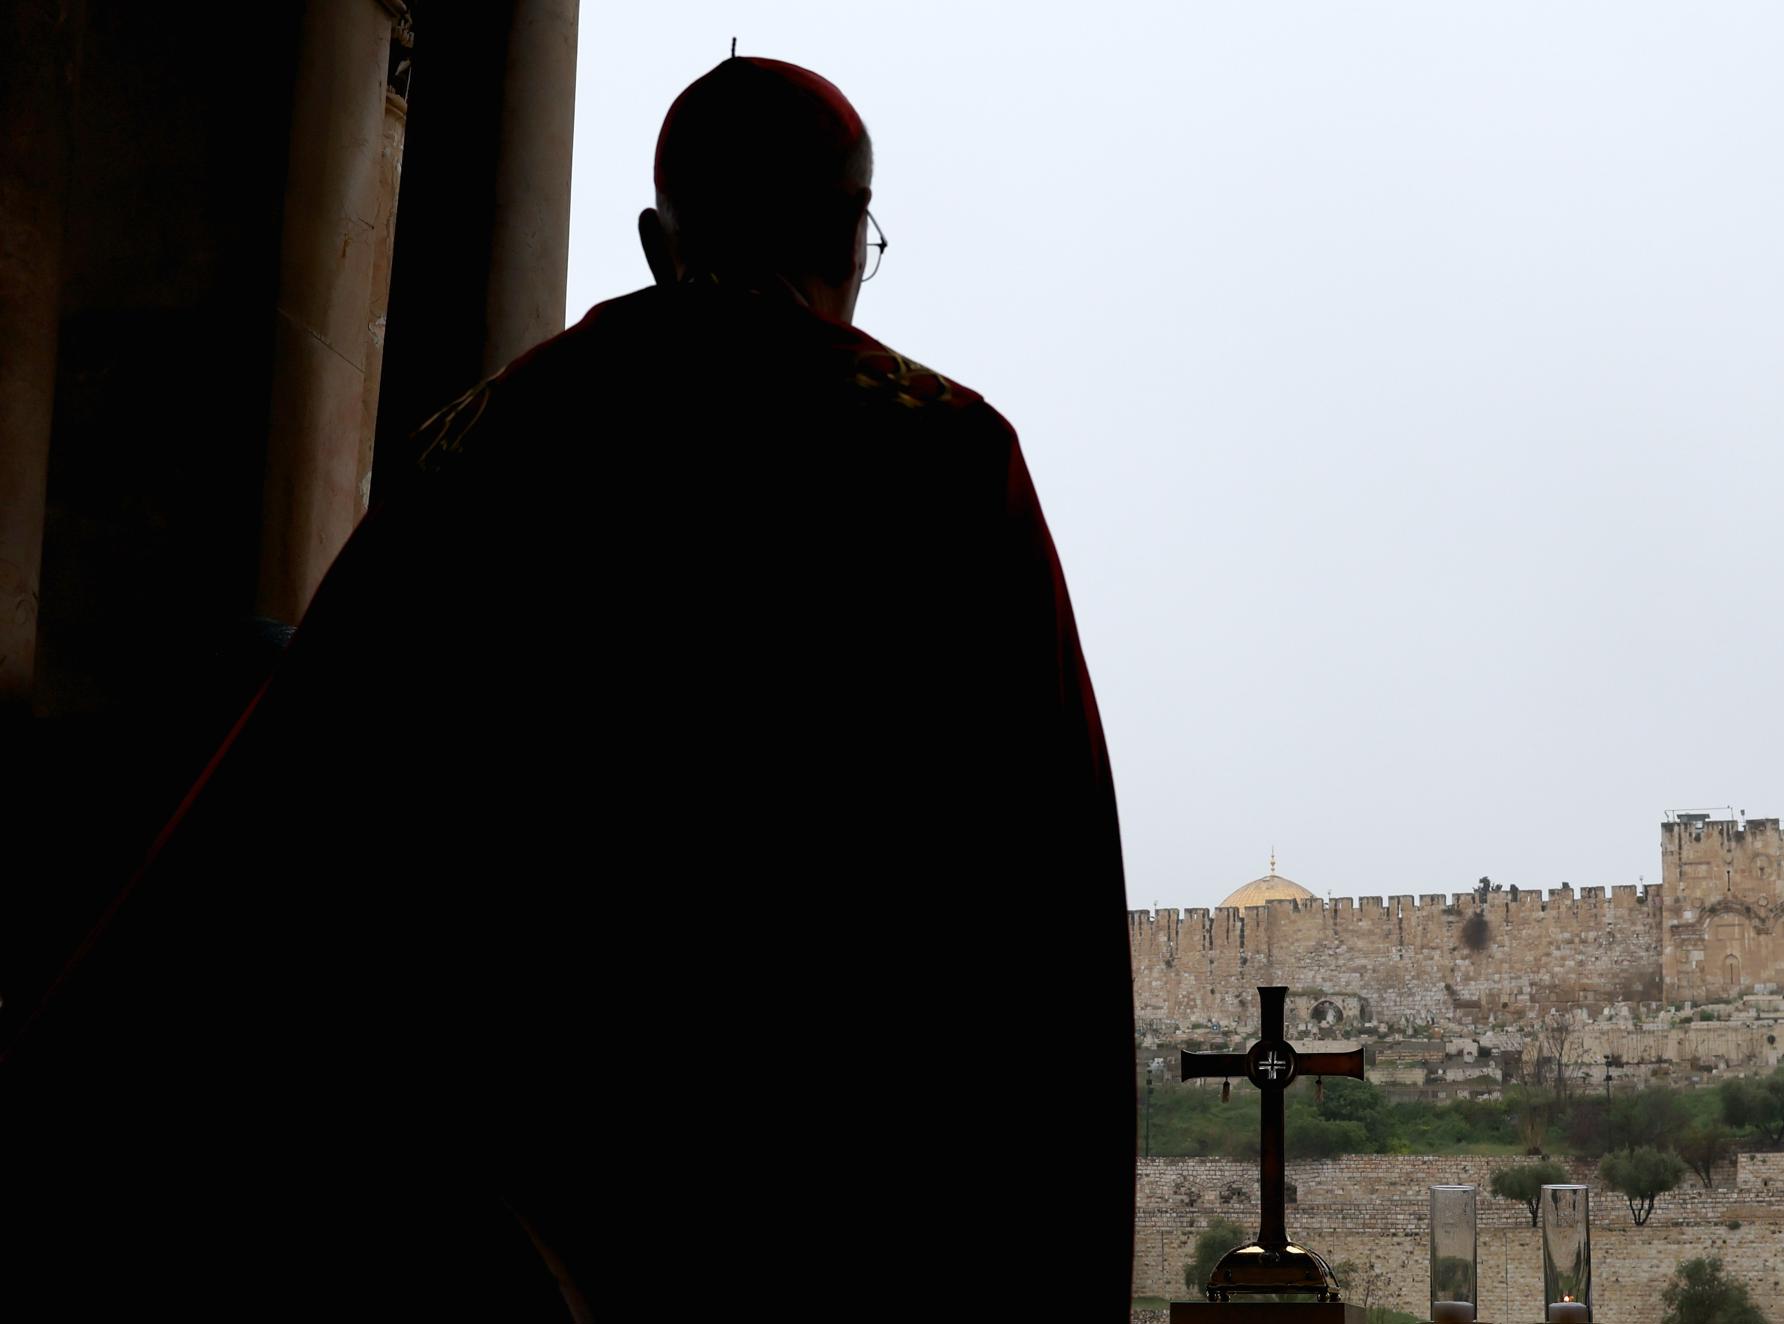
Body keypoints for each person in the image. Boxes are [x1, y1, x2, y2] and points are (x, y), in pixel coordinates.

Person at [2, 55, 1131, 1319]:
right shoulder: (941, 456)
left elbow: (298, 802)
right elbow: (1045, 876)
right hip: (845, 1183)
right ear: (845, 238)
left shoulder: (489, 440)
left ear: (658, 240)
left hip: (513, 1185)